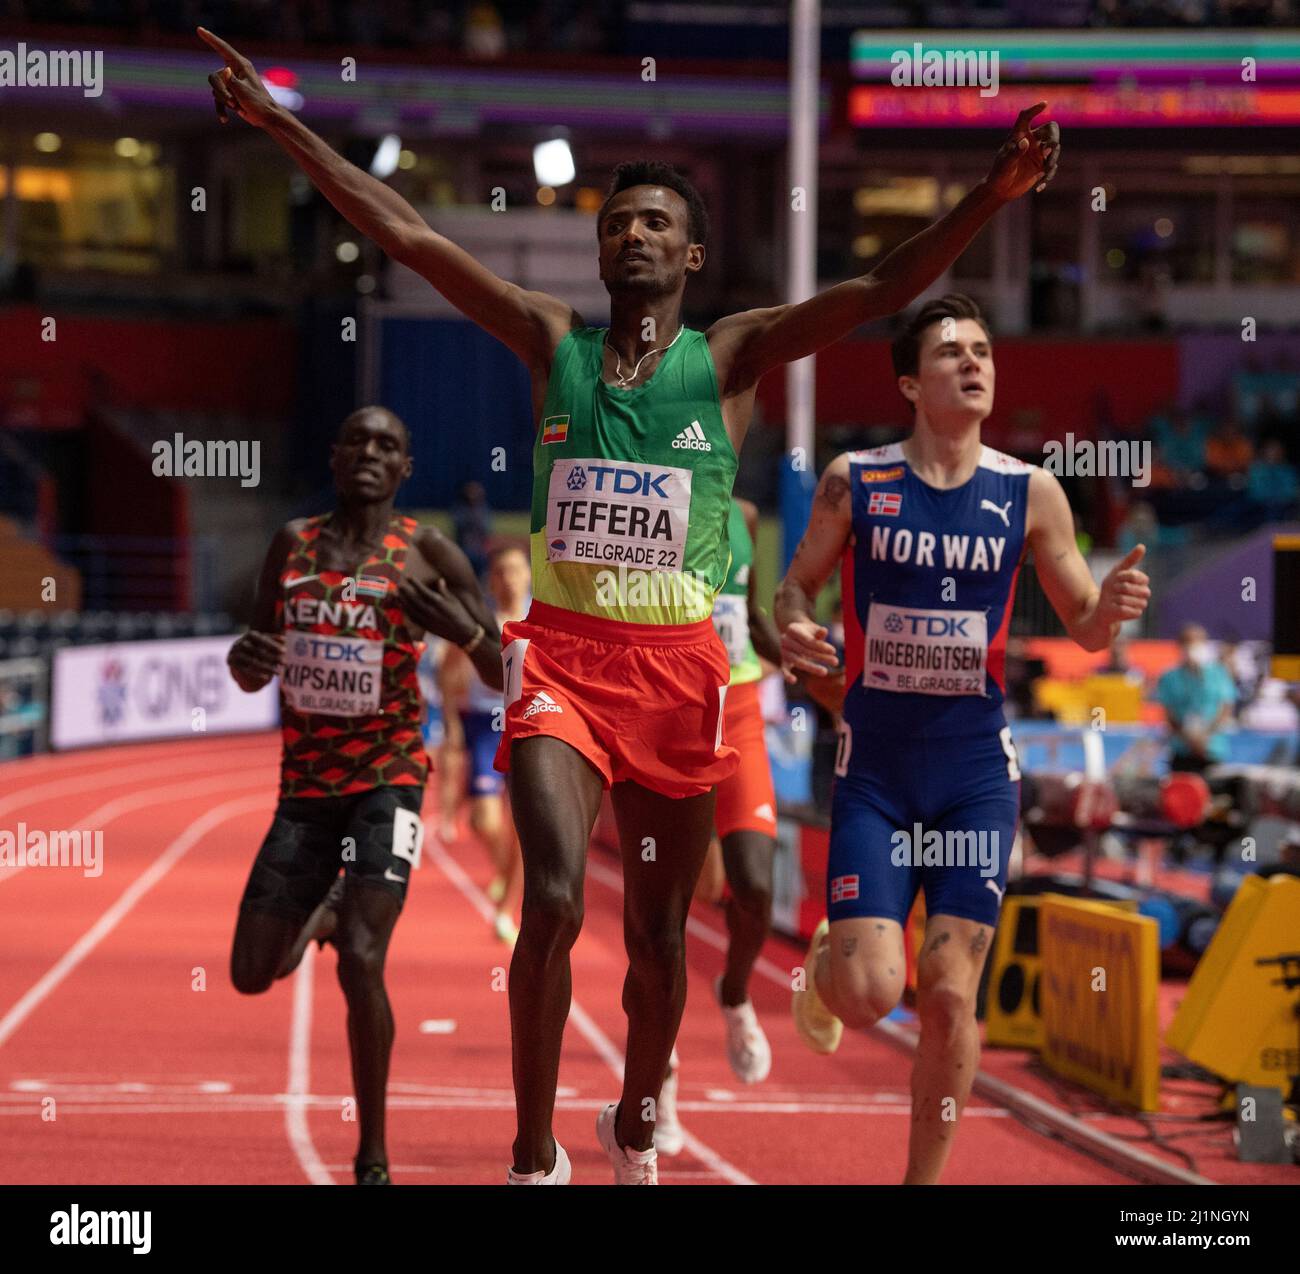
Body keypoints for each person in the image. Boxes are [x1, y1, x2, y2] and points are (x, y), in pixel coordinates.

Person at [201, 27, 1059, 1184]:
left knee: (657, 942)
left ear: (691, 254)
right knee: (551, 896)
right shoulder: (549, 337)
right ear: (599, 252)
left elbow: (878, 287)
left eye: (656, 222)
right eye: (617, 222)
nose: (634, 234)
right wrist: (279, 123)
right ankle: (530, 1147)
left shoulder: (736, 355)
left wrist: (990, 193)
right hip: (561, 662)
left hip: (680, 680)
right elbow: (402, 230)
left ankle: (636, 1108)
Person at [776, 294, 1150, 1184]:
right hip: (876, 768)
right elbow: (797, 590)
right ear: (910, 382)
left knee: (947, 990)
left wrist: (1113, 612)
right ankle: (832, 963)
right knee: (870, 994)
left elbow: (1085, 626)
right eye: (951, 353)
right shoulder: (855, 479)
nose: (974, 363)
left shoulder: (1030, 492)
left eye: (983, 349)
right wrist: (794, 629)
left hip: (976, 771)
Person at [226, 406, 500, 1185]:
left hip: (388, 782)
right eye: (358, 440)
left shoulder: (428, 549)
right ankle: (326, 906)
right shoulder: (292, 543)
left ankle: (372, 1154)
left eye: (388, 445)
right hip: (305, 790)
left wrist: (467, 631)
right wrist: (242, 660)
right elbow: (254, 662)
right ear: (335, 454)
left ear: (406, 467)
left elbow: (497, 672)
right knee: (251, 971)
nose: (371, 454)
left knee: (362, 959)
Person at [655, 498, 783, 1156]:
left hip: (741, 712)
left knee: (756, 889)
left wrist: (792, 649)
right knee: (667, 914)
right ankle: (663, 1078)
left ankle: (734, 992)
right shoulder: (648, 495)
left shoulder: (747, 515)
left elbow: (748, 610)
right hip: (671, 715)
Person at [439, 543, 531, 943]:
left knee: (527, 831)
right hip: (483, 724)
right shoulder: (482, 620)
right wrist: (451, 724)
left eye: (515, 570)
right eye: (501, 572)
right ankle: (502, 868)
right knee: (484, 821)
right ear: (491, 580)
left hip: (530, 724)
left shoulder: (540, 618)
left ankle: (505, 912)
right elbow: (448, 670)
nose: (508, 579)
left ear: (529, 575)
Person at [1156, 623, 1236, 774]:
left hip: (1212, 749)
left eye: (1196, 641)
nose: (1192, 646)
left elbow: (1226, 709)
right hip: (1181, 750)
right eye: (1187, 642)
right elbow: (1169, 715)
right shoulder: (1169, 677)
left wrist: (1205, 738)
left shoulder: (1219, 673)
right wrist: (1190, 740)